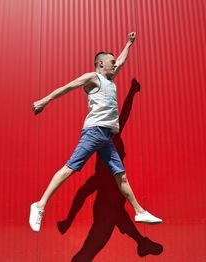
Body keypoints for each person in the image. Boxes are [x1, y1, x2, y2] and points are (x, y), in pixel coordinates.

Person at [29, 32, 162, 232]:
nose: (115, 65)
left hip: (107, 138)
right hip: (94, 132)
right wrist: (43, 101)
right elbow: (67, 87)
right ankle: (39, 206)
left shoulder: (110, 80)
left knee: (121, 176)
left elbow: (122, 61)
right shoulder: (93, 77)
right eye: (111, 62)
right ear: (100, 64)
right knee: (69, 169)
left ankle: (139, 211)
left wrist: (129, 43)